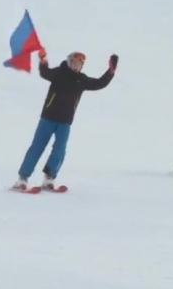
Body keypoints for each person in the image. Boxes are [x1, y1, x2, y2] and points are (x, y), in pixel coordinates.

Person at [12, 49, 117, 191]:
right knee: (37, 147)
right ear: (69, 62)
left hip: (65, 122)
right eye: (74, 63)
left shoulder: (81, 79)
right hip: (48, 118)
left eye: (79, 64)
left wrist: (110, 71)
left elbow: (99, 83)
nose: (76, 66)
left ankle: (49, 178)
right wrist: (43, 60)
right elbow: (45, 73)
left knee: (60, 150)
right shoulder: (59, 73)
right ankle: (22, 179)